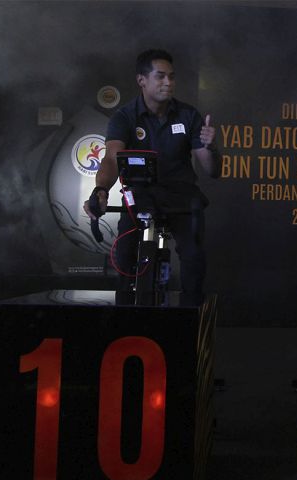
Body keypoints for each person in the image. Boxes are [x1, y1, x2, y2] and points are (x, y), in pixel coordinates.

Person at [83, 49, 218, 303]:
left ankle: (192, 320)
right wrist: (100, 189)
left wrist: (210, 147)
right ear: (141, 80)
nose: (168, 82)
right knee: (124, 256)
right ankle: (123, 321)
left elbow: (212, 170)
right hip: (140, 196)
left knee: (194, 258)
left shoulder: (189, 115)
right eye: (161, 76)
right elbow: (112, 159)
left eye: (172, 77)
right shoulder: (124, 117)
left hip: (181, 198)